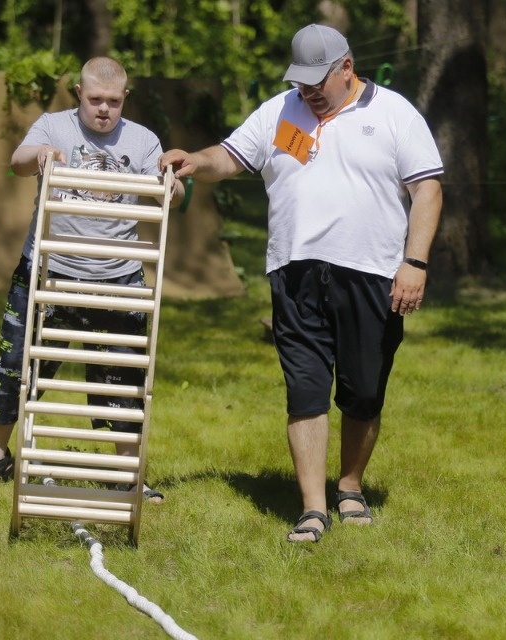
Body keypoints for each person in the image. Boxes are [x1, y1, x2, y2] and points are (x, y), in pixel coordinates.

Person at [159, 24, 444, 542]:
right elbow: (231, 155)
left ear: (347, 68)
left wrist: (415, 263)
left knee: (362, 390)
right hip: (294, 272)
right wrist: (195, 160)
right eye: (302, 81)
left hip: (373, 272)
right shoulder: (280, 110)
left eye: (319, 81)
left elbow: (427, 189)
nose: (309, 91)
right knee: (306, 389)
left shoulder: (395, 113)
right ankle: (313, 508)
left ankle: (350, 487)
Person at [0, 56, 184, 500]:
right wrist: (40, 155)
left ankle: (126, 471)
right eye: (96, 99)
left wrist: (171, 184)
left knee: (124, 375)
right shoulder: (53, 125)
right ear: (79, 94)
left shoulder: (142, 141)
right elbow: (19, 161)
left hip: (117, 278)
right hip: (47, 272)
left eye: (114, 101)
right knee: (16, 367)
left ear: (125, 99)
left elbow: (171, 196)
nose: (104, 109)